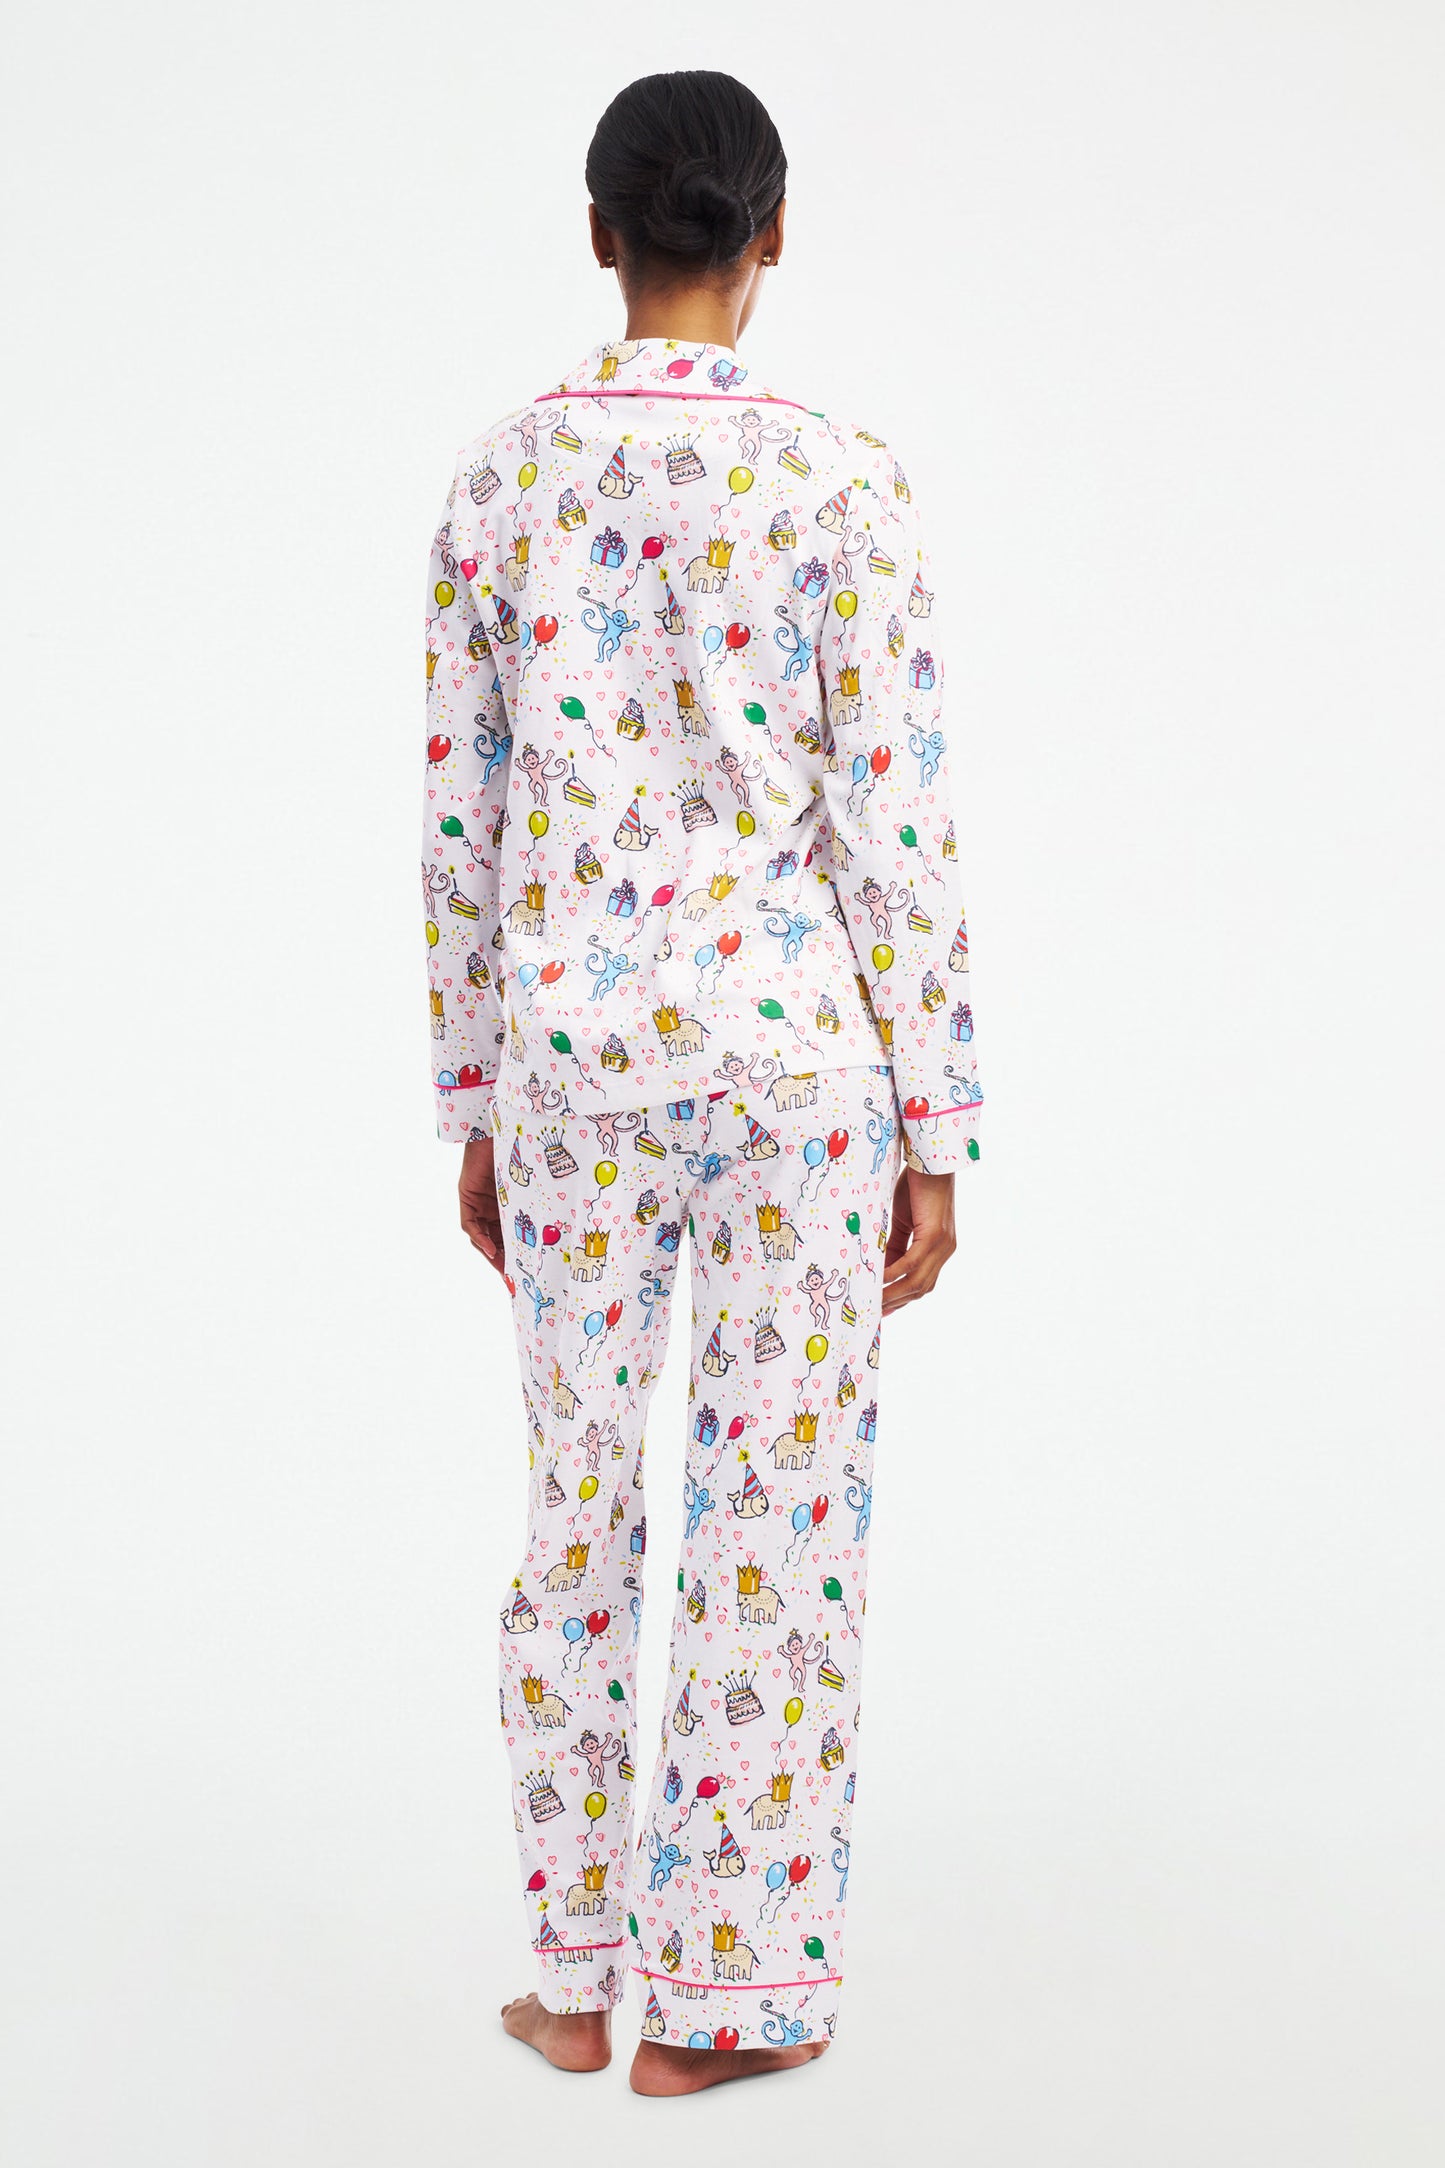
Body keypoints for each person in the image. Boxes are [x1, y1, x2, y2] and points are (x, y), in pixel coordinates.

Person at [421, 70, 982, 2096]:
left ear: (599, 235)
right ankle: (723, 2008)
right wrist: (940, 1124)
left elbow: (464, 821)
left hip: (574, 1073)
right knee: (777, 1518)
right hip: (796, 1073)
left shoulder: (504, 481)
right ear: (770, 238)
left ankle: (578, 1980)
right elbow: (894, 827)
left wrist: (473, 1099)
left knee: (578, 1505)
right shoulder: (841, 482)